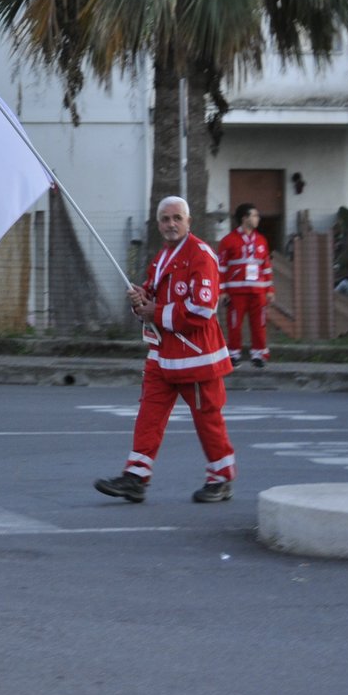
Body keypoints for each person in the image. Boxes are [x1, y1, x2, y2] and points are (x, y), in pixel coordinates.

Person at [95, 196, 236, 504]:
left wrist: (153, 311)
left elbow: (202, 309)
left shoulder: (201, 256)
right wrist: (141, 298)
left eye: (176, 218)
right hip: (163, 354)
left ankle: (221, 478)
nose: (171, 224)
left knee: (207, 419)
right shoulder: (163, 256)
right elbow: (156, 298)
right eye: (165, 219)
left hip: (197, 356)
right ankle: (136, 477)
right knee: (148, 415)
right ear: (158, 224)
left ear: (188, 222)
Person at [218, 202, 274, 367]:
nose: (258, 219)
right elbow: (220, 268)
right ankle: (234, 354)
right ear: (244, 218)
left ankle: (259, 354)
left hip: (258, 292)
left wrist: (270, 289)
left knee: (259, 324)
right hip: (236, 292)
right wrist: (222, 291)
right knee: (234, 324)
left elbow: (266, 266)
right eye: (255, 215)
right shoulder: (228, 241)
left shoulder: (262, 240)